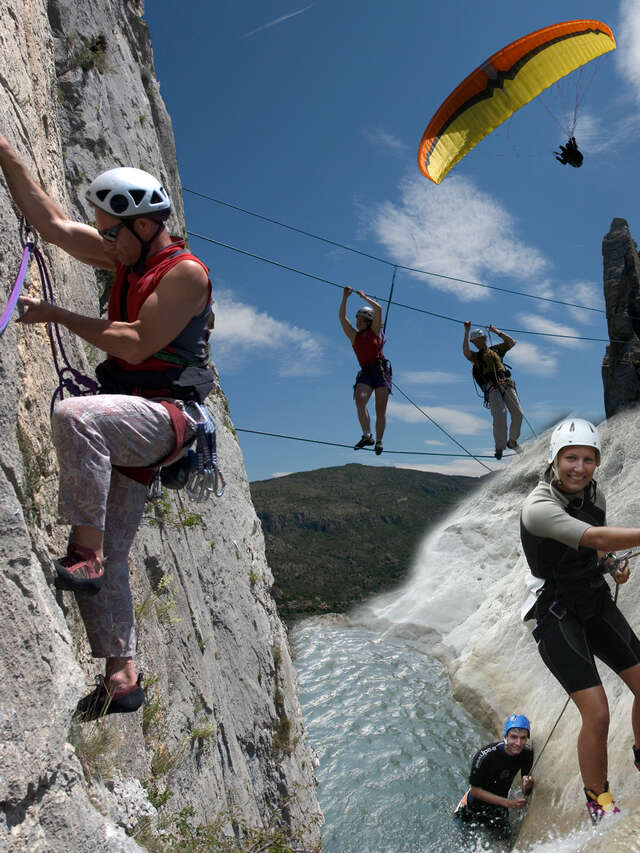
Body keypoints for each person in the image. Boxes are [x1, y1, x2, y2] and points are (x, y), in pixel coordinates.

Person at [0, 133, 213, 720]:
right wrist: (4, 149)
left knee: (74, 415)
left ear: (144, 226)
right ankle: (122, 678)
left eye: (111, 230)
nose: (104, 240)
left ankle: (83, 552)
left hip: (168, 418)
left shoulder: (185, 275)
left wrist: (55, 312)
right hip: (133, 416)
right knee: (114, 558)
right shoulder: (127, 253)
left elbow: (138, 341)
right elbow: (51, 224)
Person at [521, 418, 640, 823]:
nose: (580, 467)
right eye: (570, 457)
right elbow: (593, 538)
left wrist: (611, 567)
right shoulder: (537, 507)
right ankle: (598, 800)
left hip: (593, 599)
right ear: (554, 460)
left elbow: (594, 550)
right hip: (556, 613)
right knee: (599, 713)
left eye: (589, 459)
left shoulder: (595, 495)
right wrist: (606, 551)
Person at [454, 714, 534, 841]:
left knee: (503, 846)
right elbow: (475, 791)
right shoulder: (485, 756)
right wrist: (509, 803)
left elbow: (526, 791)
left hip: (498, 809)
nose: (518, 743)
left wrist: (527, 786)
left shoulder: (527, 755)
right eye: (513, 737)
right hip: (472, 807)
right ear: (505, 736)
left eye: (523, 738)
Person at [339, 286, 391, 455]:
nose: (357, 322)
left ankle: (380, 441)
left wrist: (364, 297)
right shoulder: (353, 336)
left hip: (380, 370)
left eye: (361, 320)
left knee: (380, 409)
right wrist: (345, 297)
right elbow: (342, 318)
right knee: (360, 400)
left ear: (369, 322)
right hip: (366, 372)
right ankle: (367, 435)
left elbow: (379, 309)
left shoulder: (375, 331)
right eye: (357, 319)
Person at [462, 321, 524, 459]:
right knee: (500, 417)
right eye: (475, 341)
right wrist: (466, 331)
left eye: (481, 339)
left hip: (506, 384)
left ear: (484, 339)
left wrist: (496, 331)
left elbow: (511, 342)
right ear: (474, 343)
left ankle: (512, 442)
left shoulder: (496, 350)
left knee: (518, 414)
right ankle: (499, 447)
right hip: (492, 388)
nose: (479, 342)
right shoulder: (476, 357)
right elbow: (466, 353)